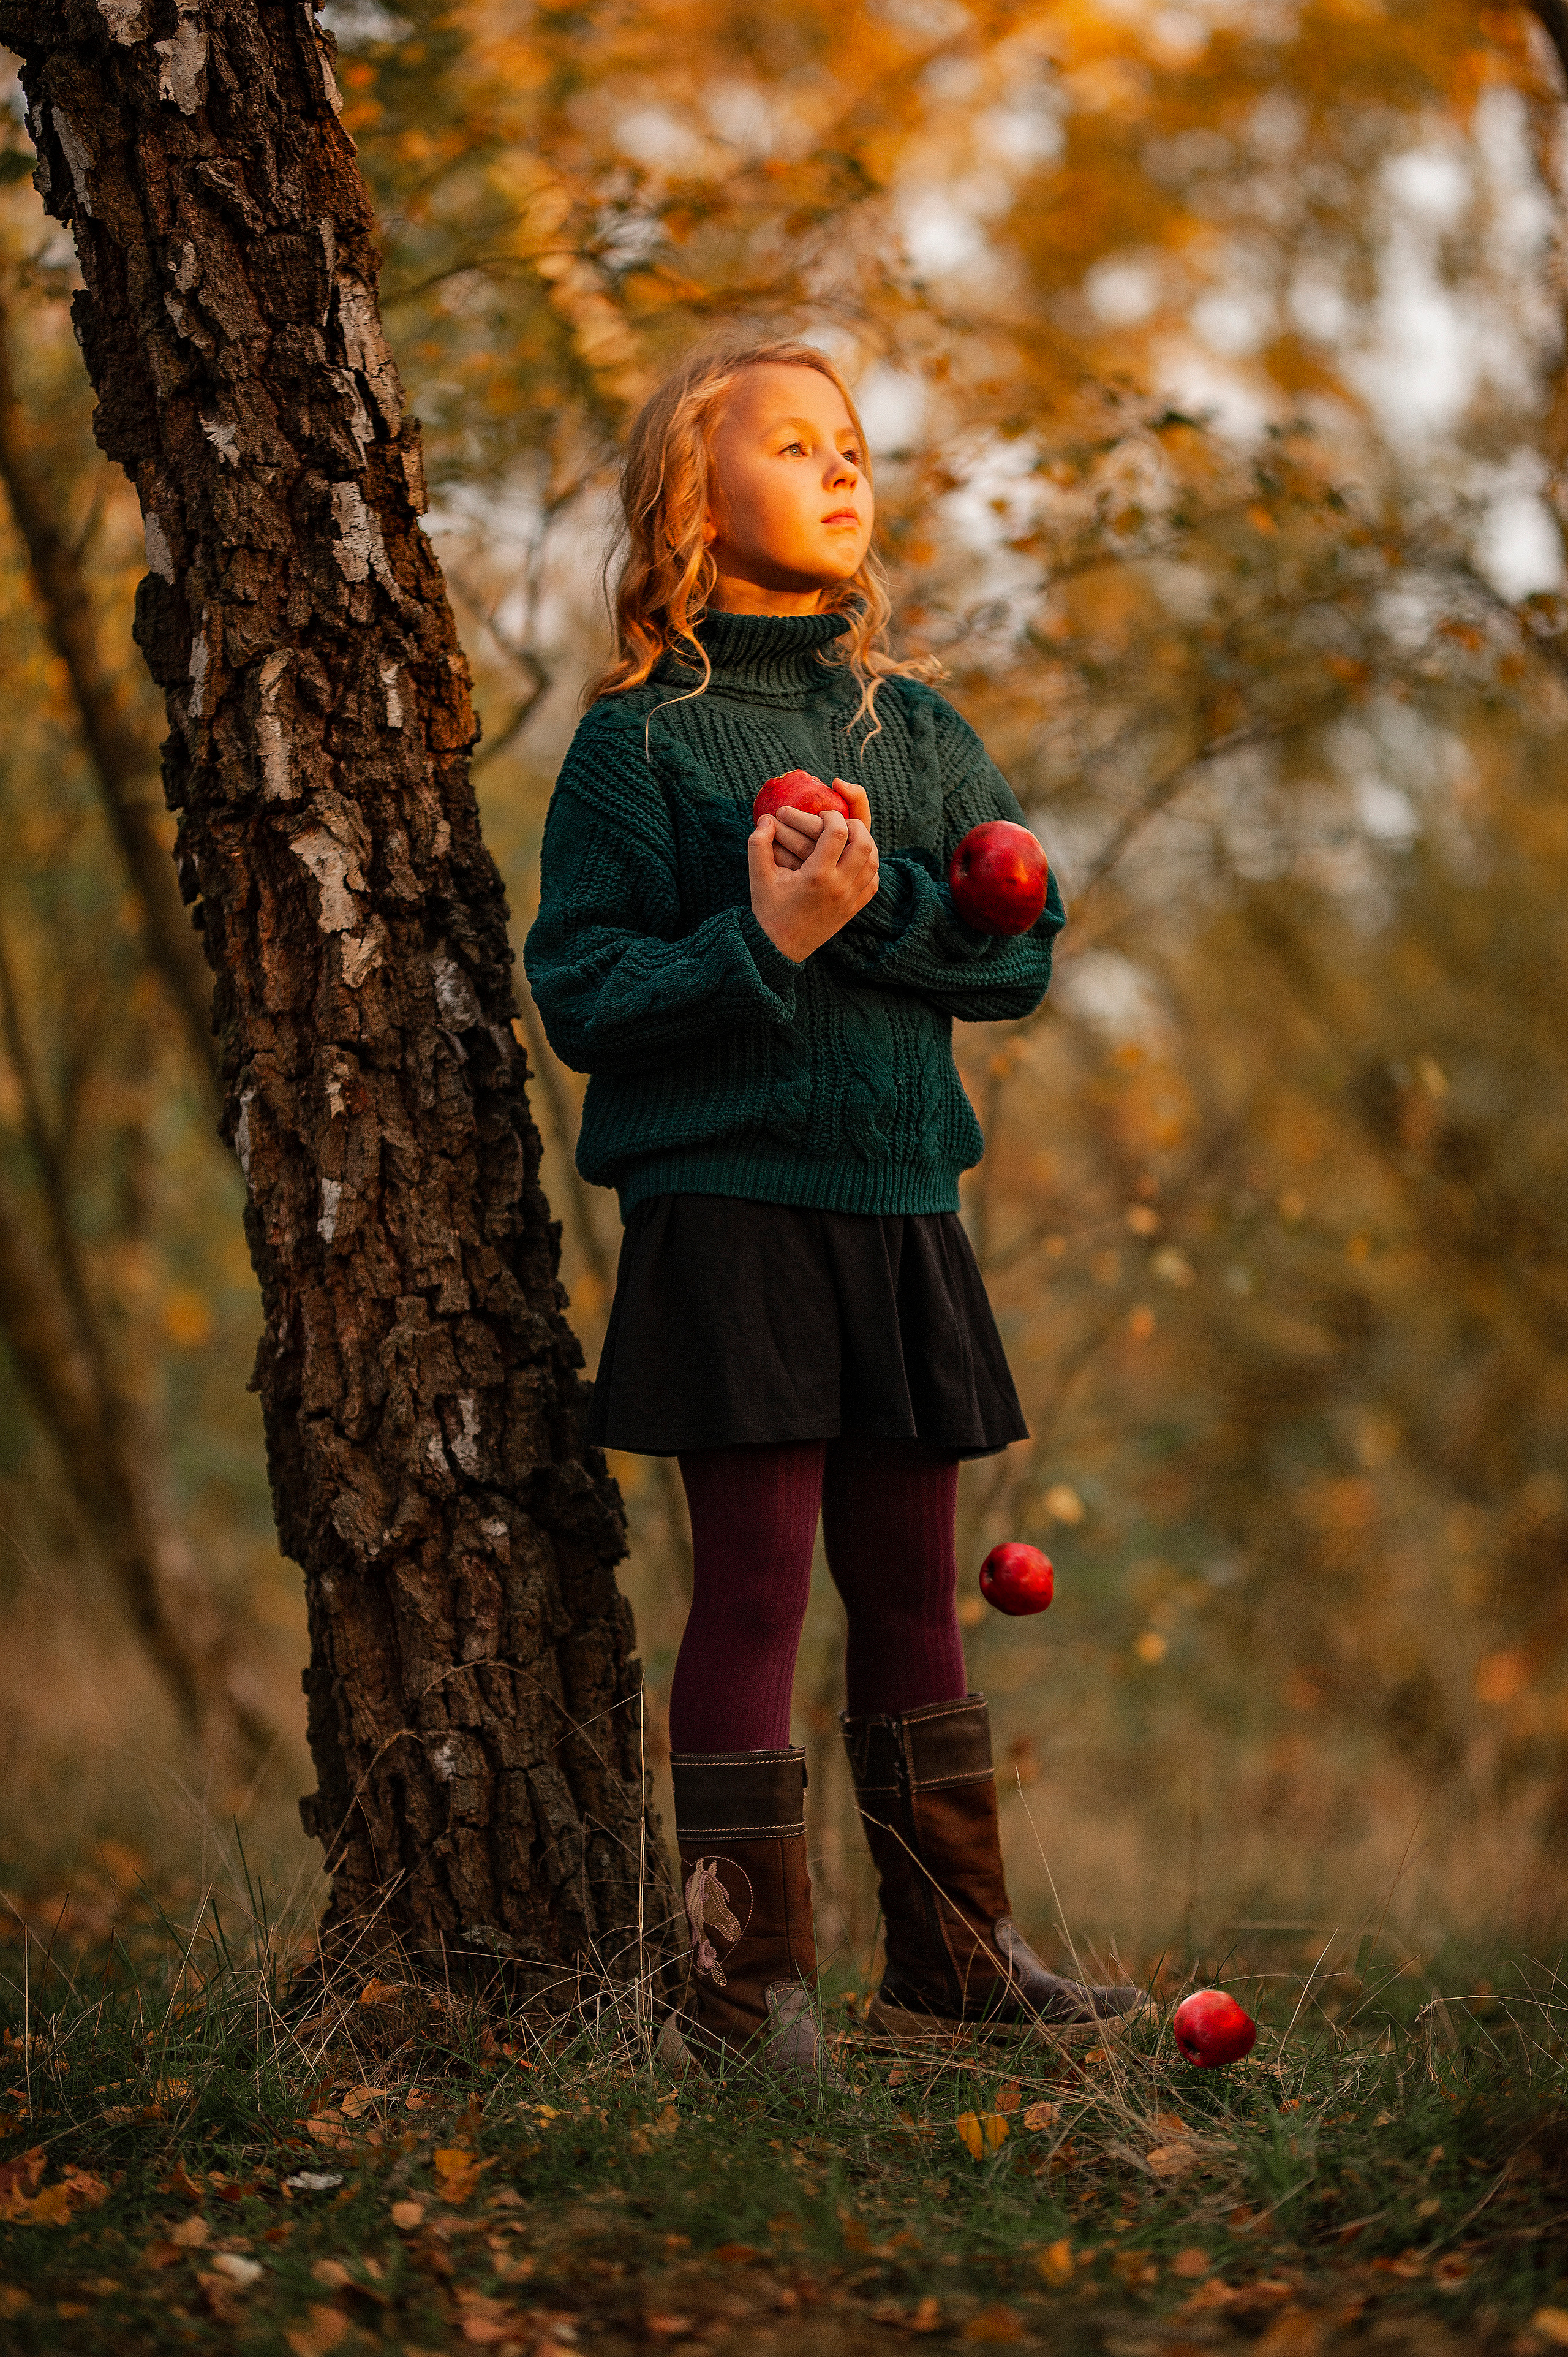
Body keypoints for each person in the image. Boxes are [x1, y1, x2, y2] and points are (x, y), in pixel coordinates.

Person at [524, 333, 1150, 2077]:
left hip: (899, 1207)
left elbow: (1016, 952)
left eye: (853, 443)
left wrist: (867, 918)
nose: (843, 466)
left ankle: (956, 1964)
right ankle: (747, 1996)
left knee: (917, 1596)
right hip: (730, 1212)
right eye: (793, 443)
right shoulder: (638, 745)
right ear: (689, 500)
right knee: (752, 1596)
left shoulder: (921, 732)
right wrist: (762, 941)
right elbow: (580, 989)